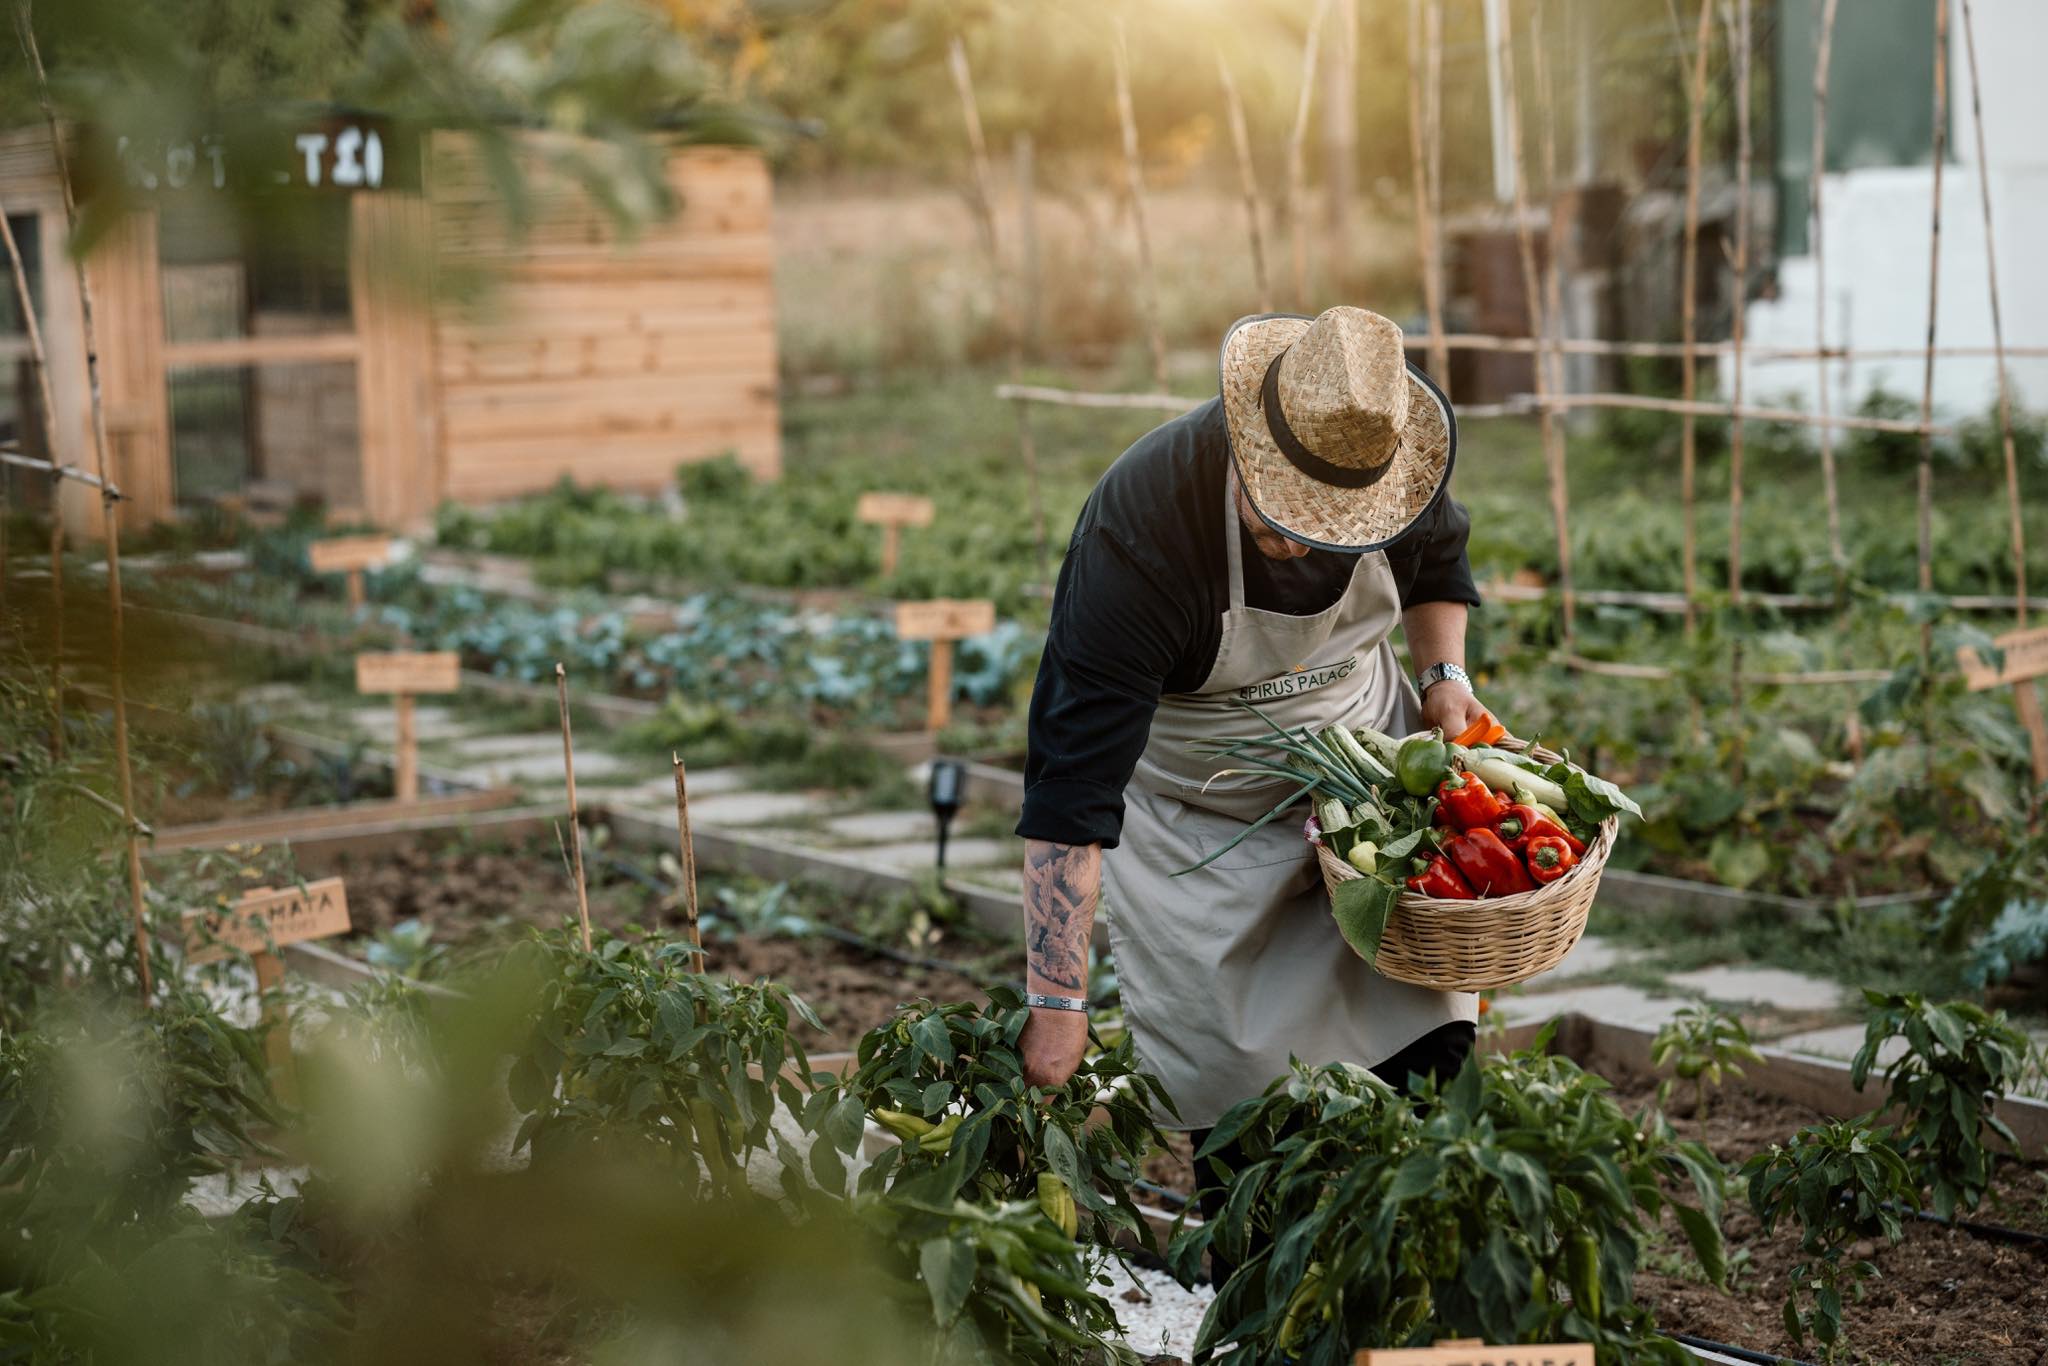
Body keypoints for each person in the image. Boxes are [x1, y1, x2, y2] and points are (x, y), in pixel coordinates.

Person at [1012, 306, 1488, 1176]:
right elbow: (1071, 790)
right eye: (1281, 514)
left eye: (1327, 529)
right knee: (1250, 1129)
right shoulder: (1143, 529)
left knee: (1428, 1069)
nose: (1295, 542)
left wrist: (1442, 681)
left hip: (1366, 789)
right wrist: (1057, 1000)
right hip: (1205, 822)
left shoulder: (1396, 461)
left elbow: (1440, 568)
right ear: (1244, 435)